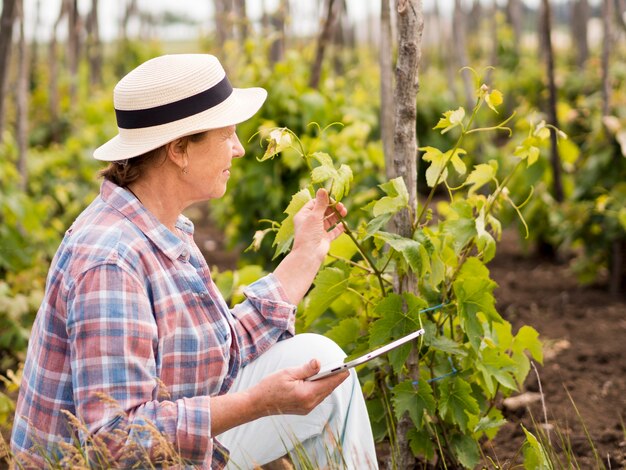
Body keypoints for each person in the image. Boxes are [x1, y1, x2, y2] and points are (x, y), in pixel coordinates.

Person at [10, 54, 377, 469]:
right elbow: (116, 441)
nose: (238, 149)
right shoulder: (110, 262)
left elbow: (222, 349)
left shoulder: (162, 225)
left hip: (160, 445)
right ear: (180, 149)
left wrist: (306, 254)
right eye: (227, 135)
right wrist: (256, 404)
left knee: (324, 364)